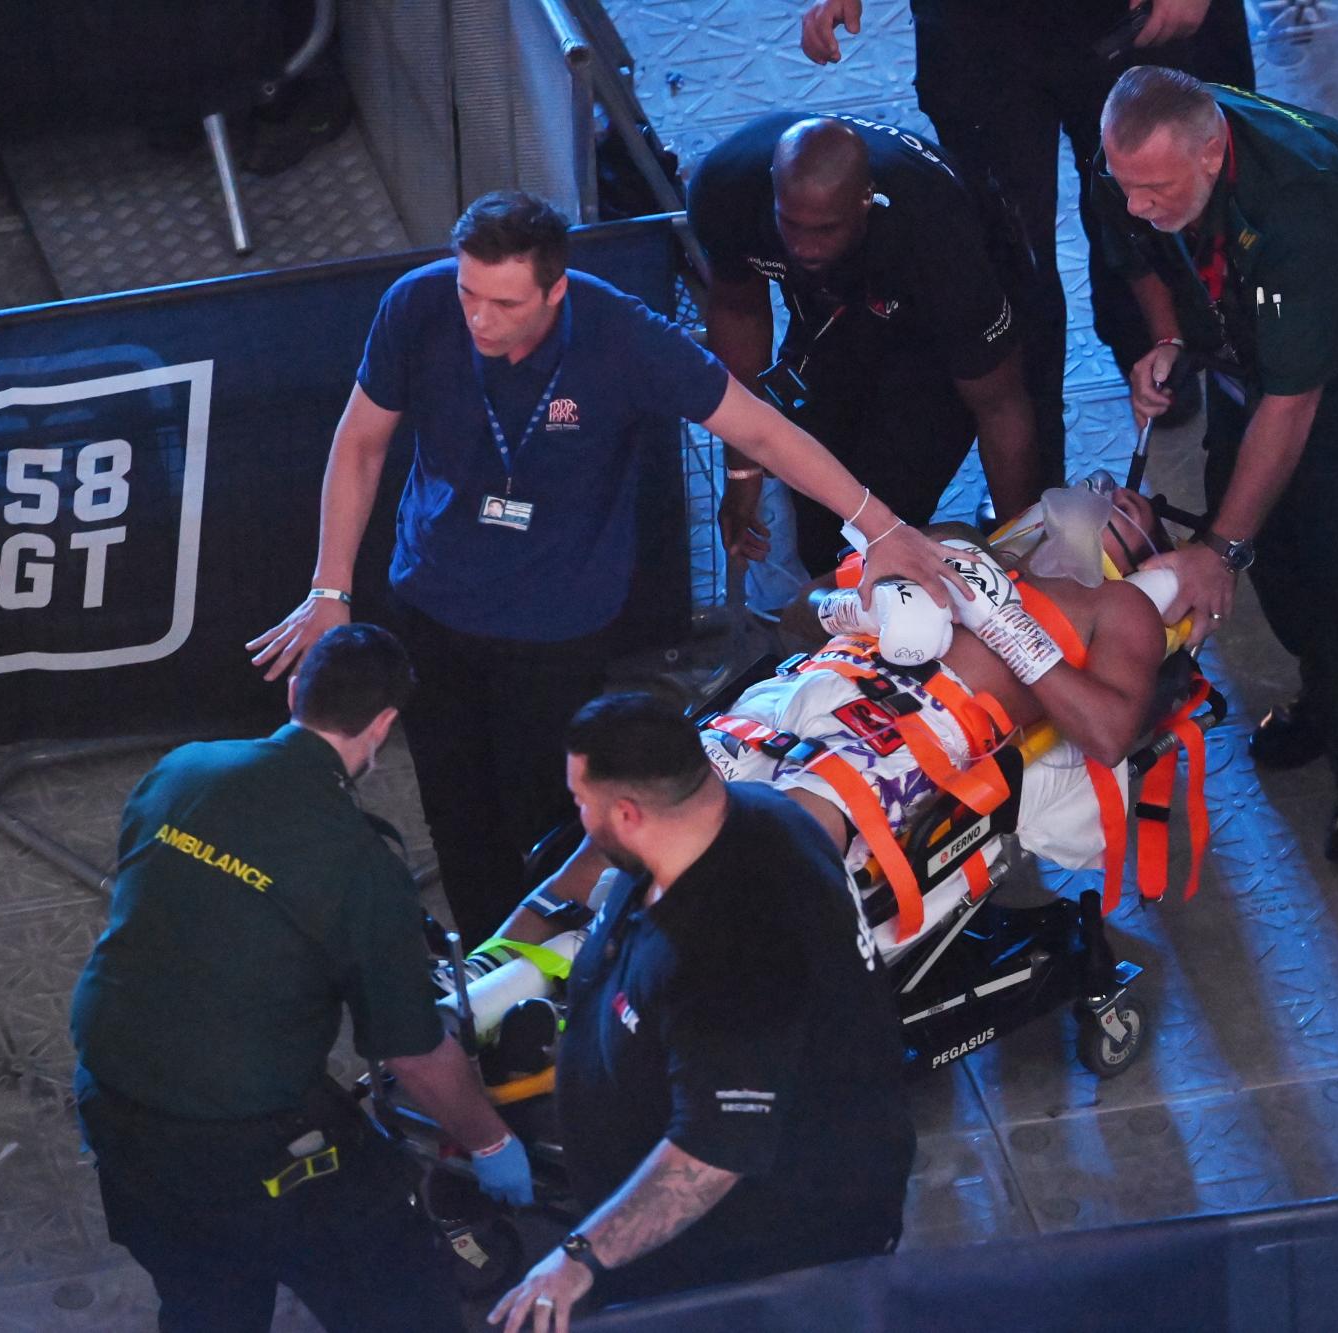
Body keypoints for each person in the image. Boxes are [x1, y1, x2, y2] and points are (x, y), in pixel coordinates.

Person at [247, 190, 963, 948]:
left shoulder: (622, 335)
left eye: (503, 301)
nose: (478, 318)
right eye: (468, 292)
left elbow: (762, 428)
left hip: (557, 627)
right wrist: (330, 588)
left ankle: (559, 960)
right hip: (430, 598)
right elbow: (360, 443)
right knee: (455, 807)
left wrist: (879, 527)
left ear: (555, 290)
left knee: (547, 814)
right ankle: (492, 969)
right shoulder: (417, 307)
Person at [69, 625, 530, 1333]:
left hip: (112, 1105)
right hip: (243, 1142)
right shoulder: (360, 862)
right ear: (383, 726)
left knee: (205, 1300)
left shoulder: (182, 770)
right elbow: (412, 1052)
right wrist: (493, 1142)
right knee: (403, 1295)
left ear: (294, 694)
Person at [1091, 66, 1338, 863]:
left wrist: (1218, 554)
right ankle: (1329, 693)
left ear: (1213, 154)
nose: (1136, 201)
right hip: (1259, 339)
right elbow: (1141, 249)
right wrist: (1171, 338)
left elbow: (1295, 399)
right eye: (1126, 185)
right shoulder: (1133, 156)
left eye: (1153, 188)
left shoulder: (1306, 207)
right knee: (1263, 530)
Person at [485, 693, 914, 1328]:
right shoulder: (756, 811)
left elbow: (713, 1156)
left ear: (627, 813)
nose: (579, 816)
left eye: (581, 803)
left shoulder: (732, 954)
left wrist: (580, 1258)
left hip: (766, 1257)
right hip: (712, 1239)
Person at [706, 479, 1177, 954]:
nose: (1106, 491)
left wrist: (1009, 630)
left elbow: (1109, 734)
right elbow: (798, 612)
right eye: (1099, 485)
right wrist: (857, 610)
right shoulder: (956, 540)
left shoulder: (1117, 606)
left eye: (1128, 508)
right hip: (814, 681)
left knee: (778, 839)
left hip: (908, 726)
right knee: (678, 790)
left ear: (1141, 558)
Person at [798, 0, 1257, 453]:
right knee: (1007, 245)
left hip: (1124, 15)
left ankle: (1160, 353)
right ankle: (1031, 463)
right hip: (976, 26)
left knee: (1153, 197)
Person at [689, 113, 1039, 574]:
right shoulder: (726, 191)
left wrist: (1023, 559)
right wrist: (743, 471)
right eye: (790, 224)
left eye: (825, 230)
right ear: (772, 189)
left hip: (939, 319)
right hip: (830, 307)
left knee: (889, 499)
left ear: (865, 200)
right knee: (819, 514)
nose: (806, 247)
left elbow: (1000, 405)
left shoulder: (937, 234)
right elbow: (739, 313)